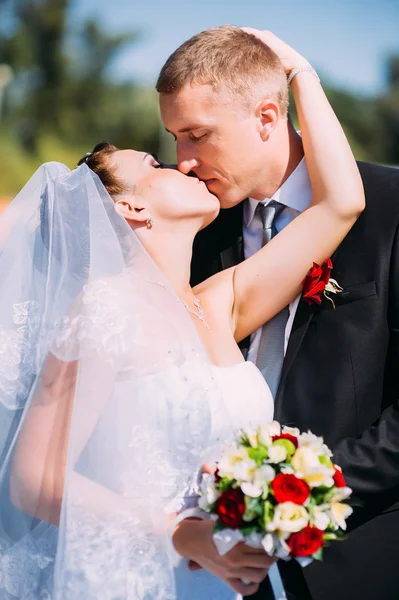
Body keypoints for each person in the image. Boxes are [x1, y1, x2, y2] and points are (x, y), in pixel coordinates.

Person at [0, 33, 363, 600]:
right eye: (156, 160)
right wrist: (177, 533)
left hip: (228, 581)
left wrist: (295, 71)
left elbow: (341, 202)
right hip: (143, 575)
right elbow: (32, 479)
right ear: (132, 208)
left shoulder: (215, 303)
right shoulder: (106, 307)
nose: (182, 163)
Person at [156, 26, 399, 600]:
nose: (184, 162)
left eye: (197, 135)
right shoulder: (190, 229)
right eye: (173, 138)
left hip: (364, 556)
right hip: (217, 560)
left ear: (267, 117)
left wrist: (298, 495)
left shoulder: (390, 207)